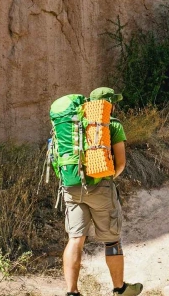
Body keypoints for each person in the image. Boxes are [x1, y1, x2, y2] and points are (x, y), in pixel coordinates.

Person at [62, 87, 143, 296]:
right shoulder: (112, 124)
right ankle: (119, 289)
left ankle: (71, 292)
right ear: (109, 104)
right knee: (112, 239)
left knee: (75, 239)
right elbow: (121, 163)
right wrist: (105, 179)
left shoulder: (74, 124)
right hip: (100, 187)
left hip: (71, 186)